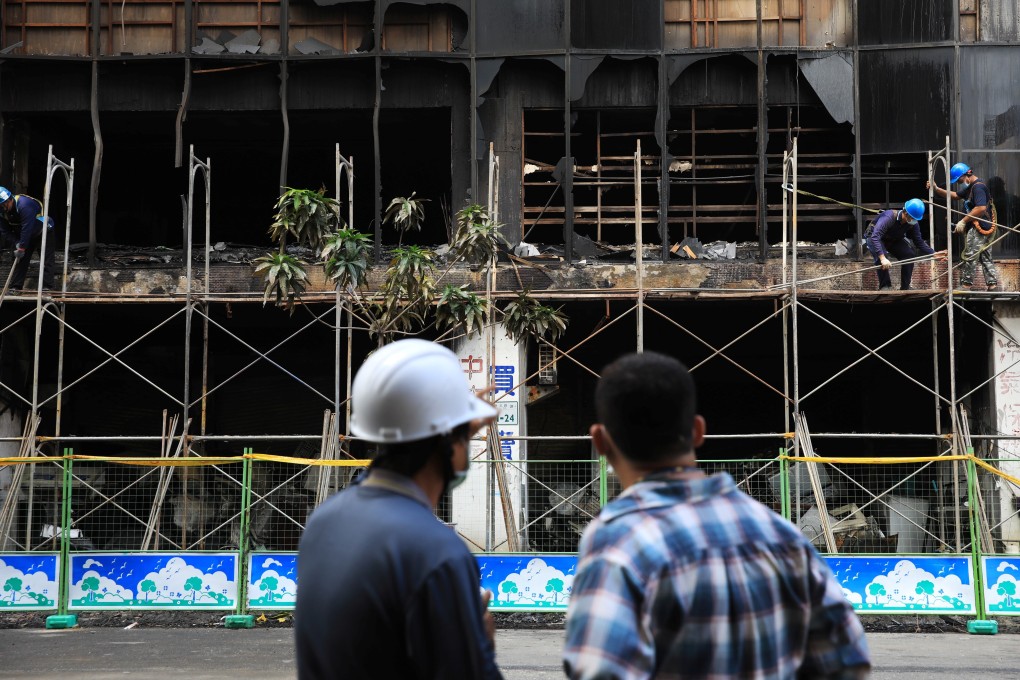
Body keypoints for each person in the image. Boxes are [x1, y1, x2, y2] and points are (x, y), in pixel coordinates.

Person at [564, 351, 871, 680]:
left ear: (599, 440)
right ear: (698, 431)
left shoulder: (618, 539)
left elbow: (599, 670)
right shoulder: (781, 534)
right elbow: (846, 661)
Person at [295, 339, 503, 680]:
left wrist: (457, 424)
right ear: (449, 442)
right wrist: (481, 645)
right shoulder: (438, 552)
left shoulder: (324, 521)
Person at [926, 162, 999, 291]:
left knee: (970, 254)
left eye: (959, 180)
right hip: (985, 227)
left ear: (966, 175)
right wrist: (936, 189)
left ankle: (966, 285)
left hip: (979, 227)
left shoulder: (978, 188)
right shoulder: (971, 187)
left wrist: (963, 221)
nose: (959, 183)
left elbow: (981, 208)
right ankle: (992, 284)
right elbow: (955, 195)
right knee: (985, 256)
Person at [864, 198, 943, 291]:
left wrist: (933, 254)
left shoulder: (913, 223)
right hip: (874, 237)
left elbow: (919, 242)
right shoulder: (889, 217)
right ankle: (885, 286)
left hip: (892, 239)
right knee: (882, 255)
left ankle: (905, 287)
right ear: (905, 213)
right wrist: (882, 258)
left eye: (915, 219)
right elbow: (875, 236)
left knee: (909, 254)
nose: (914, 220)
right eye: (912, 218)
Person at [0, 186, 56, 293]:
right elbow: (5, 231)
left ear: (9, 200)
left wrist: (22, 247)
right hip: (24, 234)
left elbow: (27, 228)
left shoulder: (24, 205)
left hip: (42, 230)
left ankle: (47, 287)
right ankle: (16, 287)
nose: (3, 208)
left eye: (3, 205)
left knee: (46, 259)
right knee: (19, 260)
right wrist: (16, 243)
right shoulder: (2, 211)